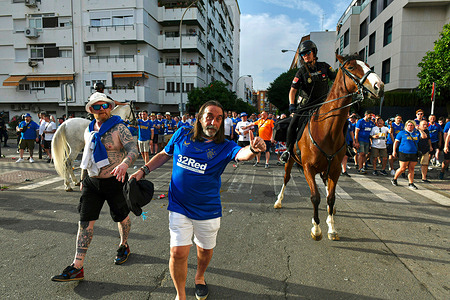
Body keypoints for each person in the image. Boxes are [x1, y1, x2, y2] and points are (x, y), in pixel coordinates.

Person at [129, 100, 266, 300]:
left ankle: (199, 277)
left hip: (207, 210)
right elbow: (163, 154)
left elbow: (241, 154)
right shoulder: (182, 134)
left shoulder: (225, 146)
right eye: (209, 116)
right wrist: (143, 170)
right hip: (179, 206)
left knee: (205, 251)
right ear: (200, 118)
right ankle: (181, 296)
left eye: (219, 118)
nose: (214, 121)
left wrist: (253, 150)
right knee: (177, 253)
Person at [51, 92, 139, 282]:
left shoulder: (119, 127)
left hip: (115, 180)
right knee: (84, 222)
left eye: (105, 106)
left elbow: (133, 149)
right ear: (91, 110)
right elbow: (86, 156)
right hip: (92, 182)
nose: (102, 110)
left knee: (122, 217)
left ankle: (124, 245)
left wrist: (124, 164)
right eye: (97, 107)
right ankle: (77, 266)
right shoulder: (89, 129)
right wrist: (83, 178)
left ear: (110, 107)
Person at [280, 40, 336, 163]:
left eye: (307, 52)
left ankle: (345, 146)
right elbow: (292, 91)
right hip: (306, 106)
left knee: (341, 120)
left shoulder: (325, 67)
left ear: (314, 52)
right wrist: (292, 107)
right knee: (293, 124)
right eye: (302, 54)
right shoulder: (301, 72)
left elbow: (336, 82)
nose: (305, 55)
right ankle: (288, 151)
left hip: (323, 104)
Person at [391, 120, 420, 189]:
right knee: (403, 168)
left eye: (411, 125)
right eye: (408, 125)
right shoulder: (402, 133)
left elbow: (424, 137)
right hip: (403, 152)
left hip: (414, 153)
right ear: (406, 126)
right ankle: (394, 178)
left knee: (411, 168)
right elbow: (396, 142)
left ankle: (411, 183)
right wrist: (394, 151)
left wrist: (420, 130)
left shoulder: (416, 133)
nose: (410, 127)